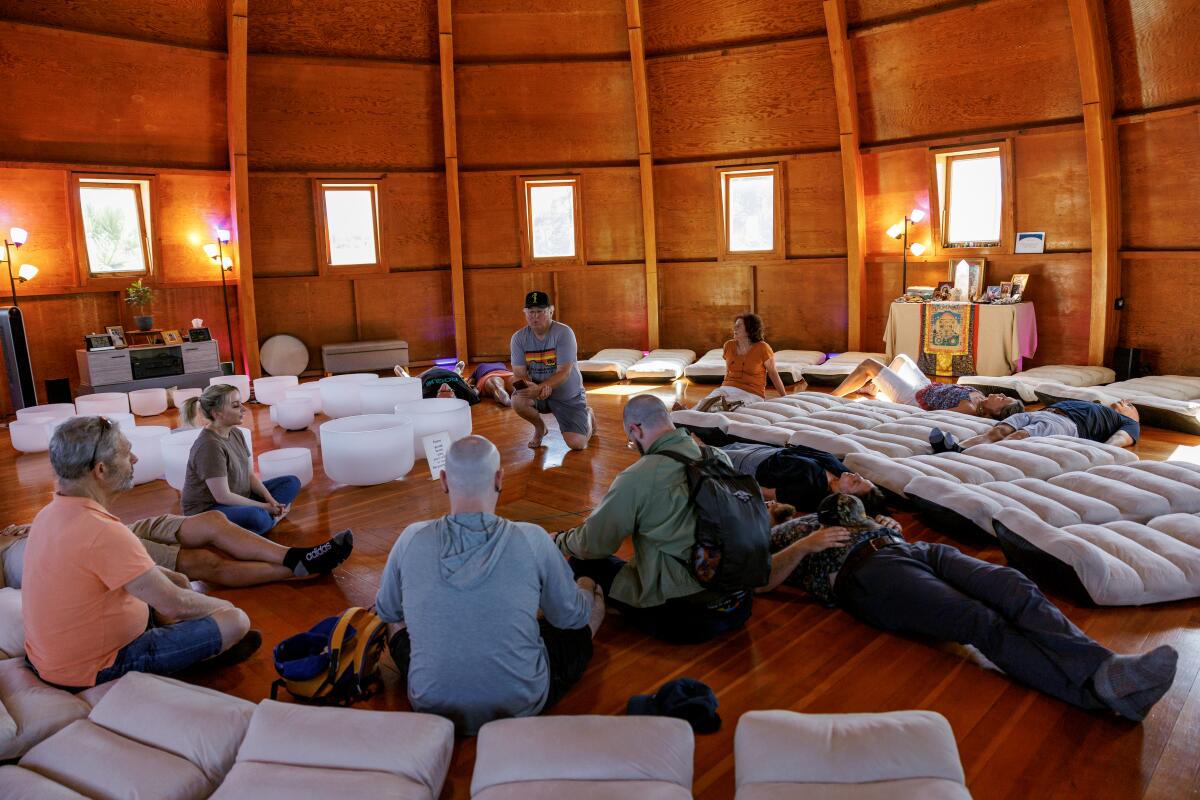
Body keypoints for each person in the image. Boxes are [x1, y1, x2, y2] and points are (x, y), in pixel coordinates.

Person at [761, 493, 1178, 722]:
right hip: (868, 574)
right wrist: (805, 545)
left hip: (909, 548)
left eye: (763, 497)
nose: (766, 500)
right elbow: (761, 581)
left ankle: (1107, 670)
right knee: (978, 621)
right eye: (758, 505)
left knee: (1011, 584)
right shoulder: (776, 538)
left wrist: (886, 525)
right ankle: (1096, 692)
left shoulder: (815, 510)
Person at [376, 436, 603, 735]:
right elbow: (569, 618)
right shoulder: (533, 538)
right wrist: (585, 588)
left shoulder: (410, 538)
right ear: (499, 478)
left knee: (395, 622)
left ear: (443, 480)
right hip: (521, 702)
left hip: (432, 704)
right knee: (590, 598)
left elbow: (387, 610)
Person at [22, 417, 261, 689]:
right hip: (94, 668)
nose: (134, 459)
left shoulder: (47, 514)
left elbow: (172, 589)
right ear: (100, 470)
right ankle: (190, 661)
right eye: (126, 454)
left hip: (51, 659)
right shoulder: (102, 532)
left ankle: (191, 646)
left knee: (179, 581)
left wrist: (179, 588)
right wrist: (225, 608)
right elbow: (176, 605)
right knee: (236, 622)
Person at [555, 395, 753, 644]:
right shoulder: (716, 457)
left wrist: (559, 540)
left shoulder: (638, 476)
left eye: (630, 438)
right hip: (739, 603)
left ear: (635, 429)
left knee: (583, 563)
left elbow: (594, 544)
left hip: (686, 618)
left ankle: (610, 611)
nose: (631, 443)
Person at [2, 513, 352, 589]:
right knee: (200, 562)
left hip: (96, 526)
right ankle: (298, 568)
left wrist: (35, 527)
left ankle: (294, 555)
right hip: (84, 548)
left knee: (213, 521)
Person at [181, 384, 302, 535]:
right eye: (236, 406)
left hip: (239, 495)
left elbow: (249, 474)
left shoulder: (236, 432)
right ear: (217, 413)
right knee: (256, 517)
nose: (244, 409)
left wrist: (270, 500)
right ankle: (273, 519)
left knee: (291, 482)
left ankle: (263, 519)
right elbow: (222, 496)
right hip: (210, 510)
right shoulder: (209, 445)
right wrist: (264, 507)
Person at [510, 290, 595, 450]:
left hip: (567, 395)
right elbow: (519, 373)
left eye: (540, 312)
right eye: (531, 312)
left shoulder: (564, 333)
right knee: (517, 400)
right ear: (525, 313)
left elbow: (564, 371)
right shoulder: (518, 338)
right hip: (537, 392)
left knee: (577, 444)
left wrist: (542, 387)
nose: (535, 316)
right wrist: (531, 388)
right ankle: (540, 428)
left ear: (551, 310)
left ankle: (588, 416)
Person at [720, 442, 890, 517]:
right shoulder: (842, 472)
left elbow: (766, 493)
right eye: (861, 478)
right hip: (768, 451)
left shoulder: (811, 493)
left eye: (856, 482)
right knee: (722, 447)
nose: (857, 476)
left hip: (751, 464)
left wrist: (730, 478)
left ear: (845, 497)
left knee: (707, 454)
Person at [831, 353, 1023, 418]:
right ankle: (874, 388)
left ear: (997, 412)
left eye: (1003, 400)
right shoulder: (979, 398)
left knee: (869, 364)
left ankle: (831, 396)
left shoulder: (970, 409)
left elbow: (931, 417)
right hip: (926, 386)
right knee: (901, 359)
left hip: (913, 398)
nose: (1000, 394)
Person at [930, 398, 1141, 452]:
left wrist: (1099, 453)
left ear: (1135, 416)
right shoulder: (1095, 403)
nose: (1123, 402)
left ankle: (977, 458)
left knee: (1019, 436)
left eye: (1129, 404)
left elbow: (1117, 442)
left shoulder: (1128, 422)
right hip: (1036, 413)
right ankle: (957, 449)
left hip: (1065, 423)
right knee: (997, 430)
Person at [684, 313, 790, 412]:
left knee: (727, 408)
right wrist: (722, 389)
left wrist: (785, 398)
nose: (734, 328)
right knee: (705, 403)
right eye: (735, 325)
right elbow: (728, 371)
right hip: (727, 388)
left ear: (749, 329)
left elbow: (773, 374)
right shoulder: (729, 345)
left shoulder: (763, 348)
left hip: (751, 393)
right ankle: (687, 415)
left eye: (738, 326)